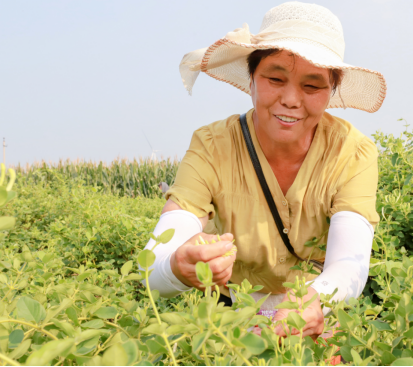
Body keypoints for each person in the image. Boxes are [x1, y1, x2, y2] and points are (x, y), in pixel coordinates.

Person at [143, 1, 386, 339]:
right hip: (231, 317)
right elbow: (156, 259)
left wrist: (312, 301)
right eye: (275, 78)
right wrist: (177, 264)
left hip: (315, 313)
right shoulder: (212, 146)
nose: (290, 99)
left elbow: (350, 263)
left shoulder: (352, 152)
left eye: (312, 86)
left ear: (331, 91)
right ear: (252, 79)